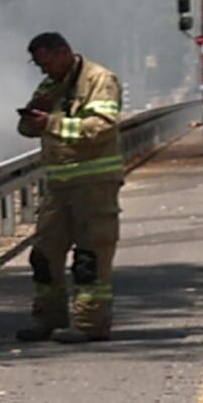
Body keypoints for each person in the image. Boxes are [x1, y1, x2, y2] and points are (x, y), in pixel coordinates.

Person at [17, 29, 131, 340]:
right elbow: (27, 129)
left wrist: (50, 123)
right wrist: (31, 118)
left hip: (94, 185)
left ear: (62, 52)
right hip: (59, 186)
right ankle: (48, 318)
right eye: (39, 66)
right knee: (43, 255)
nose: (44, 71)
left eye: (46, 63)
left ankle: (89, 324)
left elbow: (102, 128)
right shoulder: (51, 84)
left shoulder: (99, 80)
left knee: (90, 257)